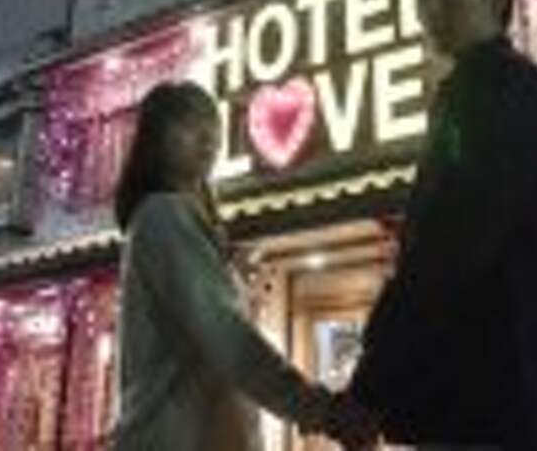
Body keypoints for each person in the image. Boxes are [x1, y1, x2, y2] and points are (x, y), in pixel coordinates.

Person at [343, 0, 537, 450]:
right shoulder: (484, 90)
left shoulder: (499, 91)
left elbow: (450, 245)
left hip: (503, 409)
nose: (428, 10)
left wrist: (370, 385)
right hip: (509, 407)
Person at [110, 81, 363, 450]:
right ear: (155, 139)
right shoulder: (163, 215)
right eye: (188, 122)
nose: (208, 136)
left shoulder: (178, 221)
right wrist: (319, 409)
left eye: (213, 124)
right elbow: (227, 336)